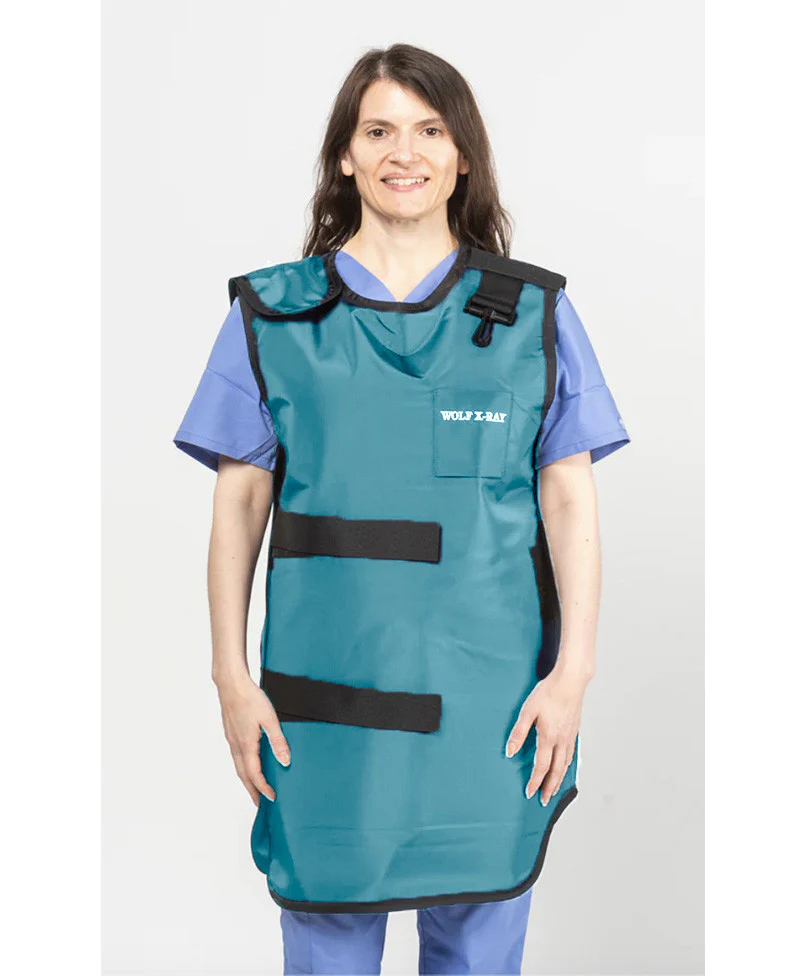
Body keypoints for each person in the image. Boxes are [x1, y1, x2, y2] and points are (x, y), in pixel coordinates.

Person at [174, 43, 629, 976]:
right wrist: (229, 676)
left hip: (494, 703)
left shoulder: (532, 315)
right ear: (345, 155)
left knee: (479, 941)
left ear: (462, 156)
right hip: (323, 708)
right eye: (378, 131)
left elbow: (570, 497)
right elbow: (239, 504)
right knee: (328, 935)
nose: (404, 153)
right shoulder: (273, 317)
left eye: (430, 131)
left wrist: (573, 673)